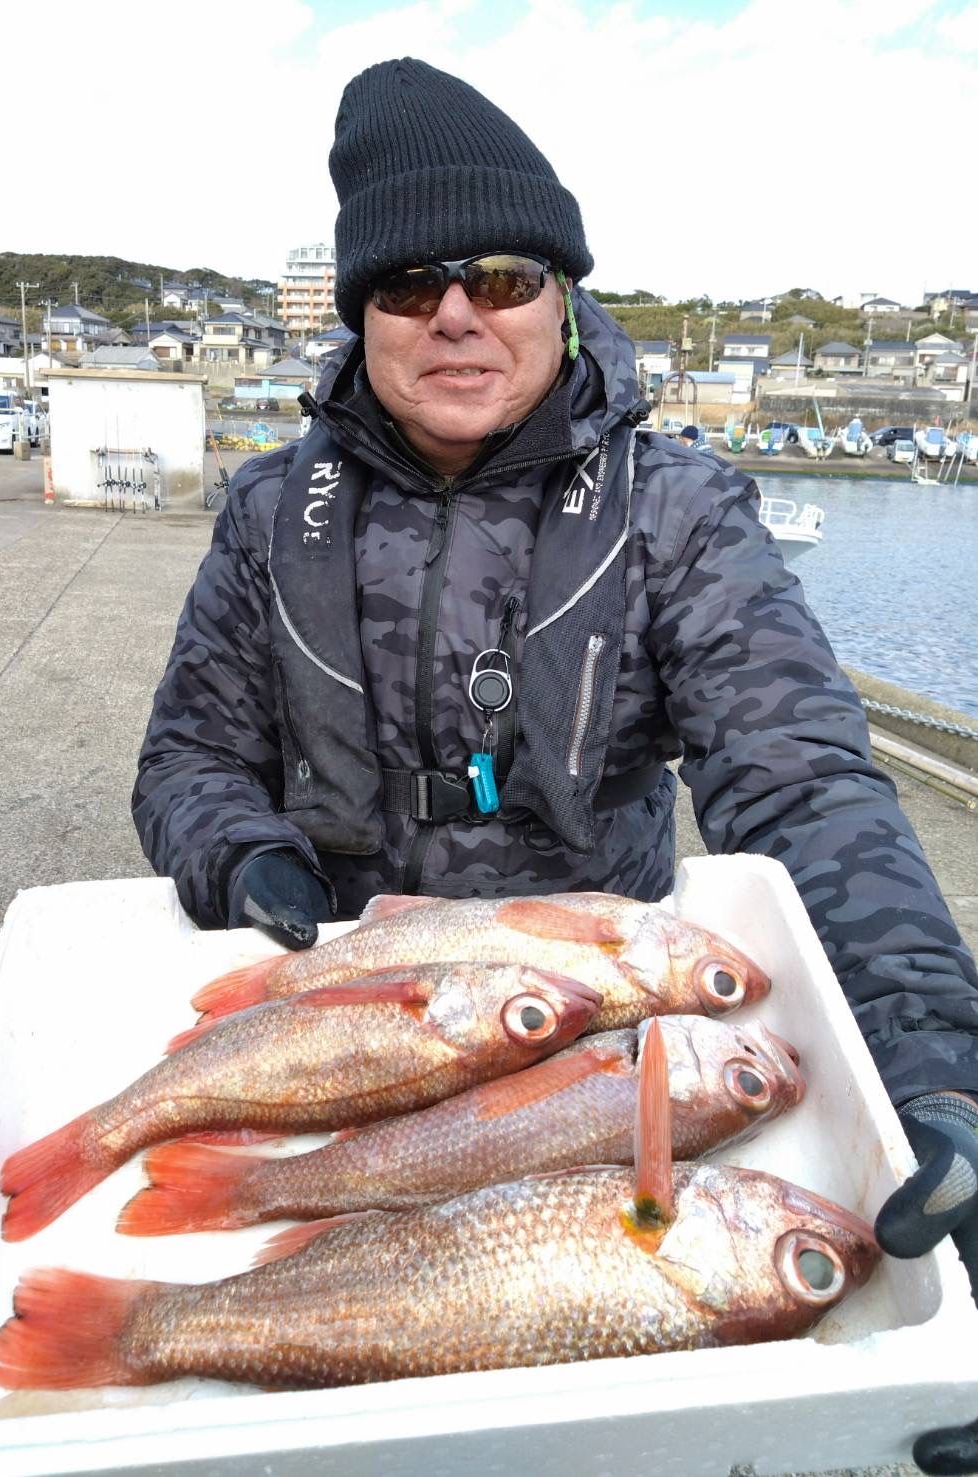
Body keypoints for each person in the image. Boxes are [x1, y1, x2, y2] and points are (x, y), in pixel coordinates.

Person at [133, 59, 978, 1468]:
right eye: (408, 284)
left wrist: (931, 1054)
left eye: (502, 275)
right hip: (349, 1013)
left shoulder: (678, 509)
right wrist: (238, 848)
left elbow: (804, 780)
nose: (457, 312)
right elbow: (188, 757)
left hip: (597, 1039)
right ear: (361, 314)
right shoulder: (273, 510)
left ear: (564, 295)